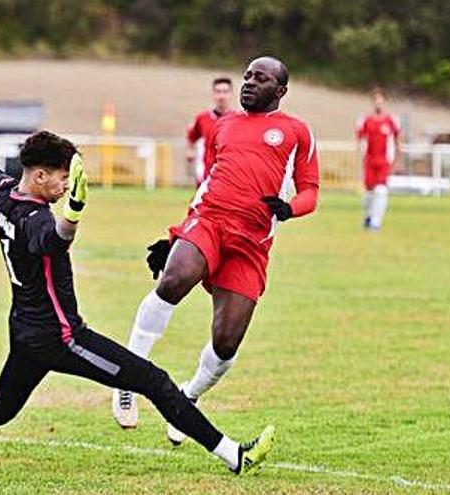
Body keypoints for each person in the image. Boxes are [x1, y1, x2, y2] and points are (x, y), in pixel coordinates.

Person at [0, 101, 276, 476]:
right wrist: (73, 211)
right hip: (62, 337)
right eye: (61, 178)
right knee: (156, 381)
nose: (66, 184)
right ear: (39, 176)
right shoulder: (35, 219)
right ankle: (234, 455)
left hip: (26, 329)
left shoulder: (2, 190)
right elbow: (52, 239)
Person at [112, 56, 319, 446]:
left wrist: (290, 208)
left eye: (261, 79)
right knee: (172, 282)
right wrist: (178, 237)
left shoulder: (297, 132)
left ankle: (187, 399)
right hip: (209, 222)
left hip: (251, 245)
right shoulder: (223, 126)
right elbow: (210, 182)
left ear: (280, 90)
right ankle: (127, 378)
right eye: (247, 77)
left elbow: (311, 190)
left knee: (225, 344)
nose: (249, 83)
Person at [356, 88, 401, 231]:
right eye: (376, 101)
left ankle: (376, 222)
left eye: (381, 101)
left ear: (384, 102)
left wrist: (397, 160)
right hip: (369, 162)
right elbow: (359, 140)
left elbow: (397, 141)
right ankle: (368, 216)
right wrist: (359, 157)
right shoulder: (366, 120)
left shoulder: (391, 120)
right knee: (368, 192)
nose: (378, 104)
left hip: (384, 162)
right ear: (373, 103)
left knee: (381, 191)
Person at [185, 77, 235, 188]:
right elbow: (191, 136)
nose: (221, 96)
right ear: (213, 94)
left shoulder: (237, 119)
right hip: (206, 173)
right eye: (218, 92)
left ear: (231, 94)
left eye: (225, 92)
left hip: (229, 173)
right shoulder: (202, 118)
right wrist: (190, 151)